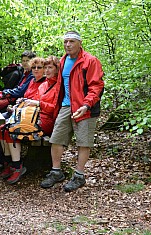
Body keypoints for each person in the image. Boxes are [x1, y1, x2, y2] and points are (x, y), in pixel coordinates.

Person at [40, 31, 104, 192]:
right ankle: (56, 172)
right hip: (66, 106)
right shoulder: (63, 60)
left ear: (79, 43)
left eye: (71, 42)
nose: (67, 44)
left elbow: (96, 86)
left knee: (83, 142)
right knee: (56, 138)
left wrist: (86, 105)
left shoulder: (90, 61)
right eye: (65, 41)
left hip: (85, 107)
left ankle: (79, 176)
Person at [0, 56, 60, 184]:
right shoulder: (44, 85)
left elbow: (53, 108)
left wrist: (37, 104)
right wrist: (25, 102)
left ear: (57, 69)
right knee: (4, 128)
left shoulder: (57, 86)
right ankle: (10, 163)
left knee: (12, 130)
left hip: (46, 121)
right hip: (34, 116)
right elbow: (33, 101)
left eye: (50, 68)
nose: (47, 70)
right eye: (46, 67)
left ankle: (17, 167)